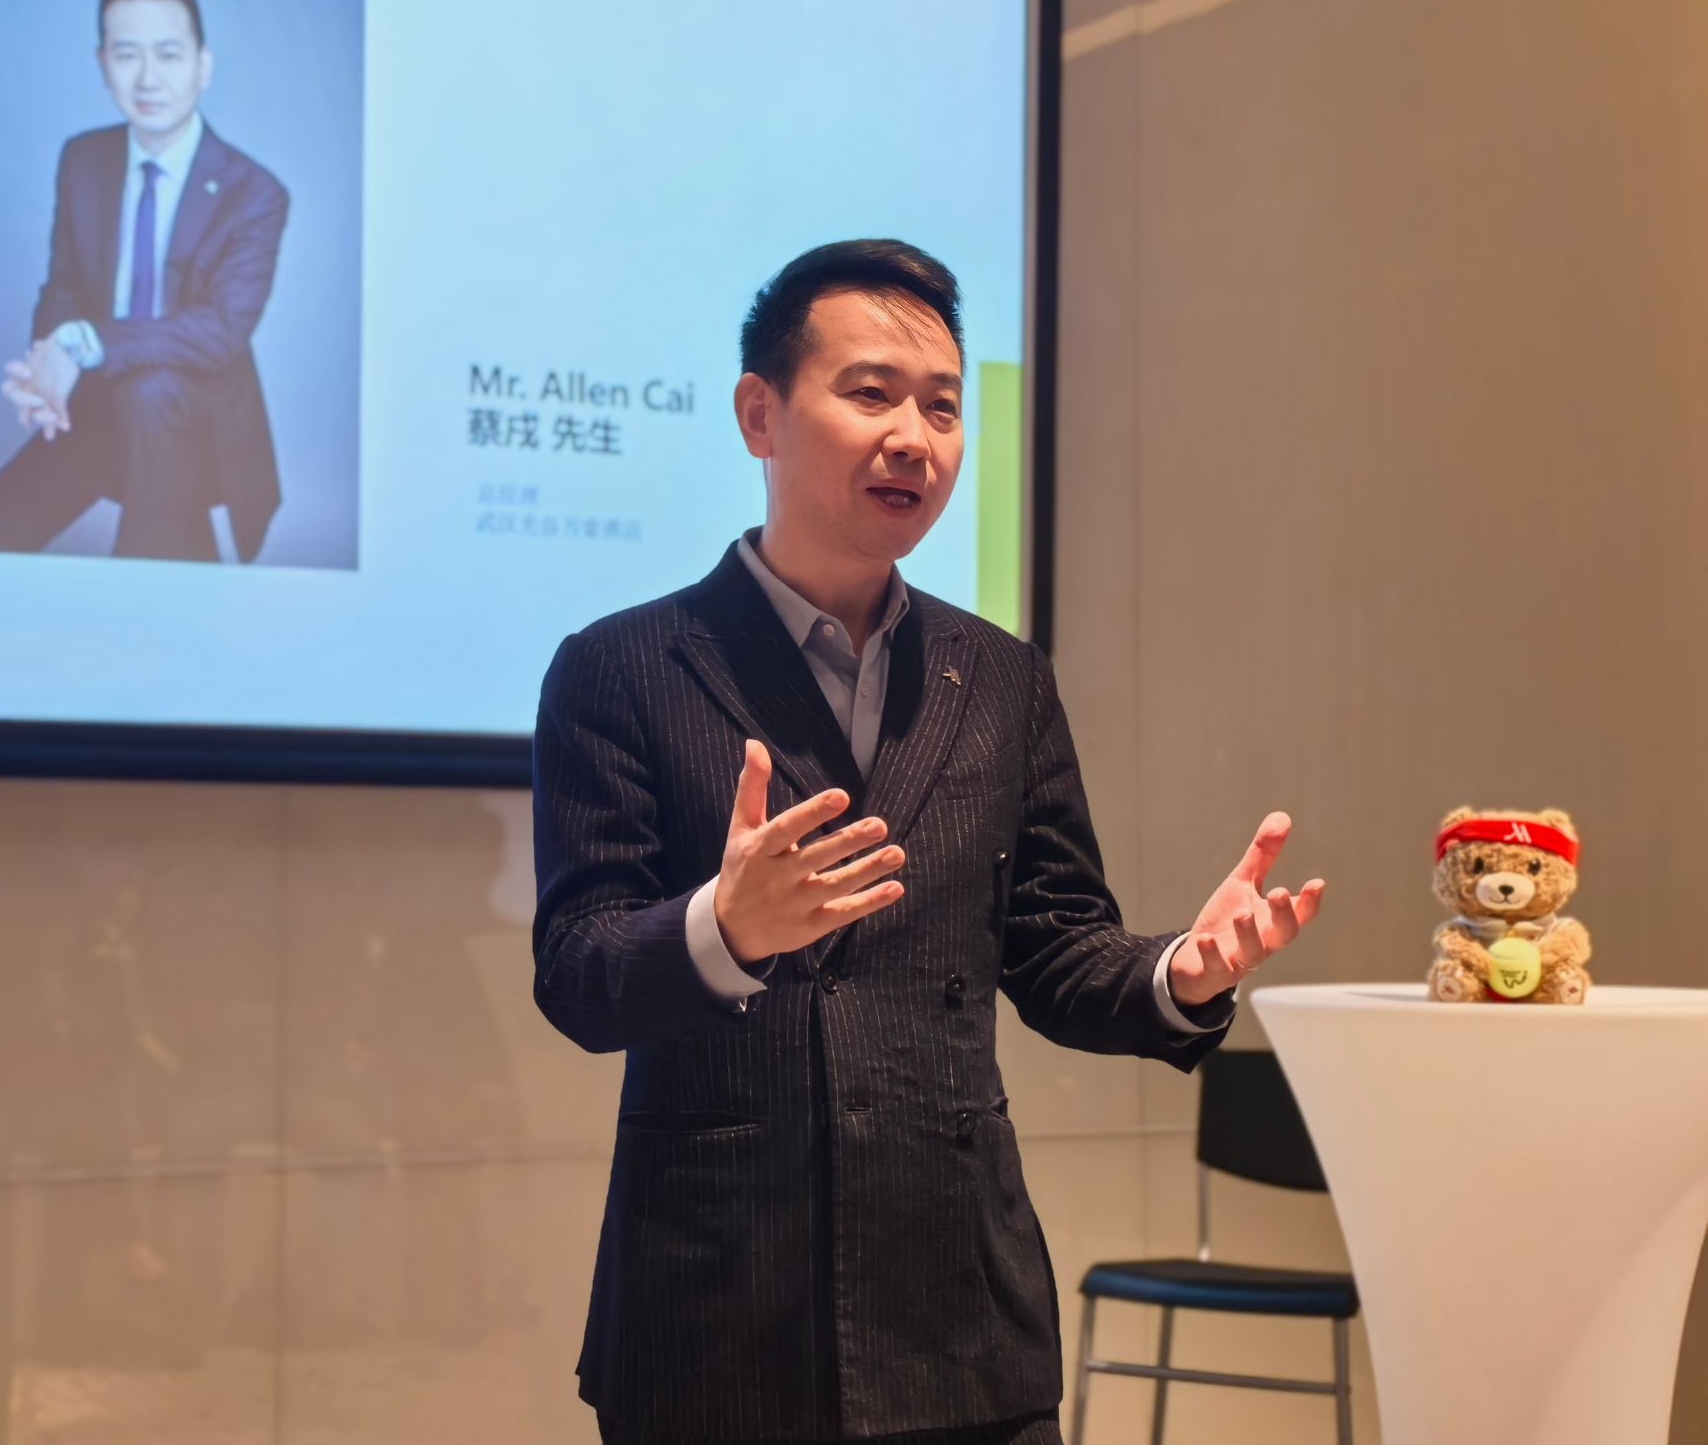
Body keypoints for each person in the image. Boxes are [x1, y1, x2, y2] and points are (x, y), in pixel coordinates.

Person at [529, 240, 1327, 1444]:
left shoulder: (999, 677)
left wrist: (1179, 972)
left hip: (959, 1313)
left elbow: (1053, 950)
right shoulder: (624, 666)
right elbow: (578, 974)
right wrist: (721, 930)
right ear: (758, 414)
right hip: (716, 1307)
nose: (913, 437)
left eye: (942, 407)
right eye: (869, 394)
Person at [0, 0, 288, 563]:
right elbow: (64, 288)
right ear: (103, 63)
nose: (148, 78)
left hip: (189, 425)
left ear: (202, 66)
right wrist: (48, 368)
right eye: (127, 55)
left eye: (169, 55)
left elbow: (220, 332)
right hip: (93, 408)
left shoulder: (253, 192)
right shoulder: (83, 160)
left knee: (155, 396)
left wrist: (83, 345)